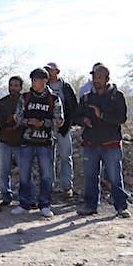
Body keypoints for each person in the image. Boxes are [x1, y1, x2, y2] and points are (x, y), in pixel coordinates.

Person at [75, 65, 130, 218]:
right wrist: (83, 120)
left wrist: (102, 115)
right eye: (94, 77)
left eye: (99, 77)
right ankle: (90, 206)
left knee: (114, 177)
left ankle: (121, 207)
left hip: (111, 144)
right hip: (91, 144)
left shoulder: (116, 96)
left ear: (107, 78)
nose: (96, 80)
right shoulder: (86, 98)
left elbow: (121, 118)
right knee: (90, 177)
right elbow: (76, 117)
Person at [12, 67, 62, 218]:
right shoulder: (25, 97)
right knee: (24, 174)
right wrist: (28, 121)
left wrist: (43, 123)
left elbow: (59, 119)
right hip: (27, 140)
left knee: (46, 174)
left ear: (45, 81)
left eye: (36, 80)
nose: (33, 83)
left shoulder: (54, 99)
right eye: (32, 80)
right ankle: (24, 203)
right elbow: (17, 117)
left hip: (45, 142)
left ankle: (45, 205)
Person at [44, 62, 78, 198]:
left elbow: (73, 106)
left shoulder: (66, 87)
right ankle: (49, 186)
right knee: (48, 158)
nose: (48, 72)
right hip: (47, 128)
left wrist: (68, 123)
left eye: (50, 70)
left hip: (64, 128)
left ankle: (66, 186)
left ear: (57, 71)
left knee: (65, 156)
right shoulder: (43, 87)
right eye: (46, 70)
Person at [0, 76, 25, 207]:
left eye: (16, 85)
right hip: (4, 139)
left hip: (21, 140)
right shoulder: (1, 102)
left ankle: (25, 196)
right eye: (11, 85)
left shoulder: (25, 101)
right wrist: (7, 121)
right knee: (3, 170)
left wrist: (18, 124)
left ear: (21, 87)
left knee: (24, 170)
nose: (13, 88)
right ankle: (6, 195)